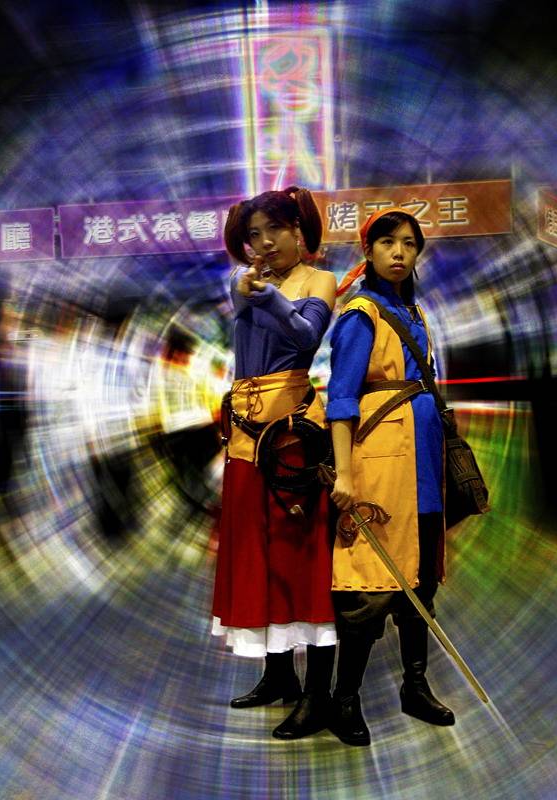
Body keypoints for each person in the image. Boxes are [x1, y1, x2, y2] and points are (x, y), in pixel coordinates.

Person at [211, 185, 337, 740]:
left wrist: (267, 297)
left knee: (300, 552)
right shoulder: (244, 282)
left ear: (298, 231)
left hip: (292, 434)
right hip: (243, 432)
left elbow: (306, 334)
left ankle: (317, 692)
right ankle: (278, 673)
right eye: (253, 235)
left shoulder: (320, 282)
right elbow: (242, 300)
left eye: (275, 231)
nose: (263, 243)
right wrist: (252, 289)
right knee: (258, 550)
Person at [326, 207, 455, 747]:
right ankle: (345, 699)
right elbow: (340, 399)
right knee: (369, 588)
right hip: (379, 466)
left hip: (423, 465)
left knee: (420, 582)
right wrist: (345, 473)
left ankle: (415, 686)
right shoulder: (361, 314)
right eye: (387, 242)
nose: (399, 252)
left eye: (408, 242)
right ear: (369, 251)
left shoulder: (415, 312)